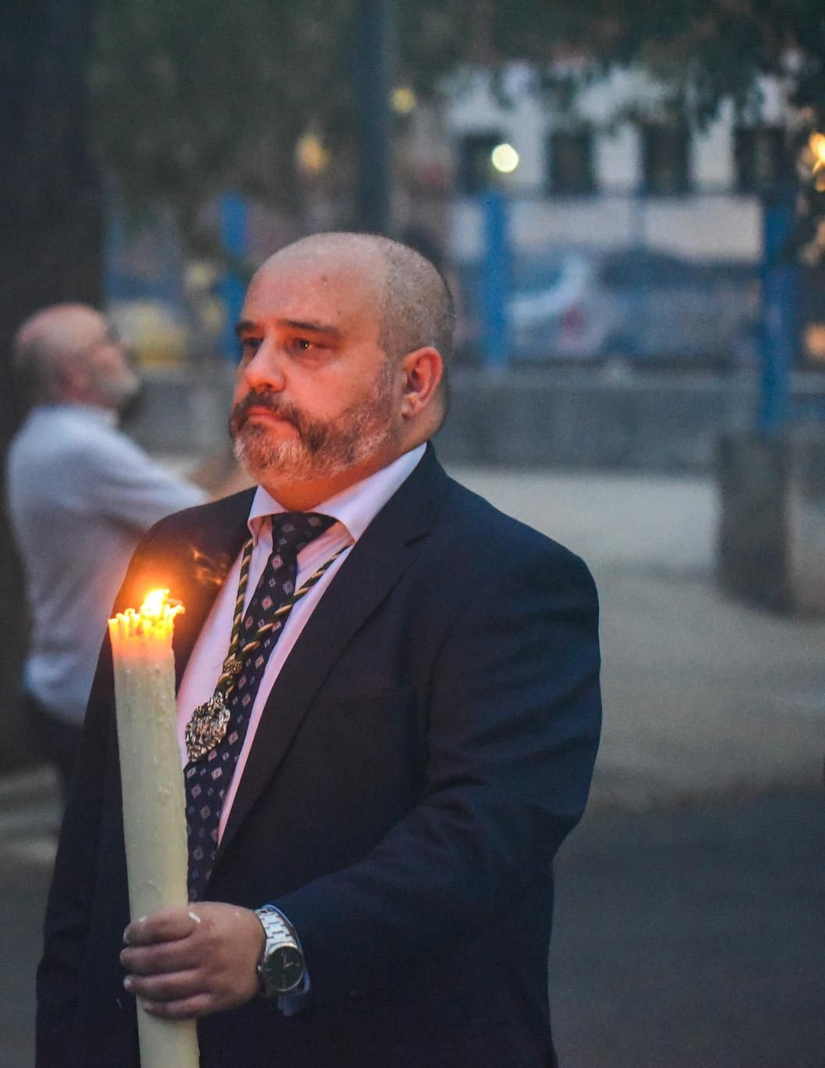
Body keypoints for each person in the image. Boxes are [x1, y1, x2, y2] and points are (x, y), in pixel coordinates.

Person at [36, 233, 602, 1067]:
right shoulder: (176, 550)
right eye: (251, 341)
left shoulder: (505, 580)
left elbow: (486, 832)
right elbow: (93, 851)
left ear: (413, 382)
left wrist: (276, 942)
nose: (261, 371)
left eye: (306, 345)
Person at [6, 303, 210, 785]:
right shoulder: (81, 449)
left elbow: (177, 496)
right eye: (108, 340)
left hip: (73, 687)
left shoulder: (53, 438)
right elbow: (211, 522)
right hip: (102, 700)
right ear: (75, 372)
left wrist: (239, 448)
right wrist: (271, 447)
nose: (124, 349)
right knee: (132, 857)